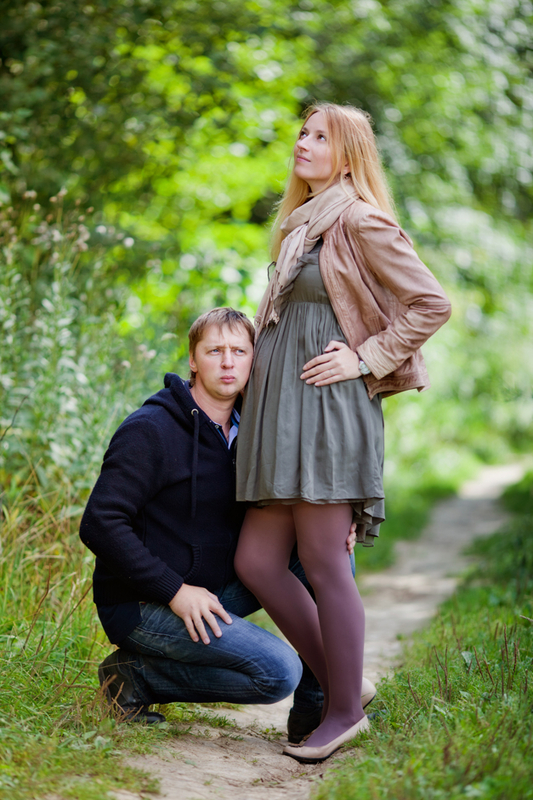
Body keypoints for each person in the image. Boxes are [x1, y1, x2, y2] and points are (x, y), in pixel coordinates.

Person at [234, 103, 452, 763]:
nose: (303, 143)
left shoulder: (358, 219)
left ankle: (343, 712)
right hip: (281, 413)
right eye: (301, 133)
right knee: (257, 562)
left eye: (319, 136)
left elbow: (430, 303)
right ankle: (345, 688)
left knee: (325, 562)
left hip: (327, 411)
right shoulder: (302, 222)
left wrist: (364, 358)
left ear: (349, 154)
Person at [80, 307, 373, 729]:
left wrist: (340, 519)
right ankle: (132, 677)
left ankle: (317, 707)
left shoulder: (254, 431)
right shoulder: (151, 429)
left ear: (255, 360)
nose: (228, 362)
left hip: (214, 588)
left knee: (328, 555)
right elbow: (100, 522)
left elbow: (295, 490)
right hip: (144, 602)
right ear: (193, 360)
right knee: (277, 672)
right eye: (214, 351)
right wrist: (175, 591)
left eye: (239, 351)